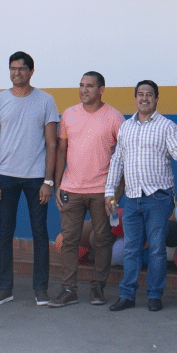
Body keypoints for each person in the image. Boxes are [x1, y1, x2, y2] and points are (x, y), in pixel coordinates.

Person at [105, 80, 177, 312]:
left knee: (156, 249)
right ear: (135, 98)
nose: (144, 98)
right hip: (132, 198)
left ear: (156, 99)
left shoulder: (166, 126)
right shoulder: (126, 127)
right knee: (131, 249)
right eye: (140, 94)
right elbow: (117, 162)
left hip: (158, 199)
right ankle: (127, 295)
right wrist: (109, 192)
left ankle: (155, 295)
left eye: (149, 95)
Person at [0, 52, 59, 306]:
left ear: (31, 71)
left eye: (22, 69)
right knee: (5, 232)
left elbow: (51, 144)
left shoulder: (46, 100)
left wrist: (48, 182)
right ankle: (4, 289)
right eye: (12, 69)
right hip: (5, 177)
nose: (17, 73)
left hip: (36, 177)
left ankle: (41, 289)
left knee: (40, 232)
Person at [50, 71, 124, 308]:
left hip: (102, 190)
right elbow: (61, 151)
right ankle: (69, 289)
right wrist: (57, 185)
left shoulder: (114, 117)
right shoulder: (69, 115)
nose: (84, 90)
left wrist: (116, 192)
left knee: (102, 240)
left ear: (101, 90)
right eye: (81, 85)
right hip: (71, 189)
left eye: (89, 86)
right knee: (69, 240)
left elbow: (123, 156)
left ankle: (97, 287)